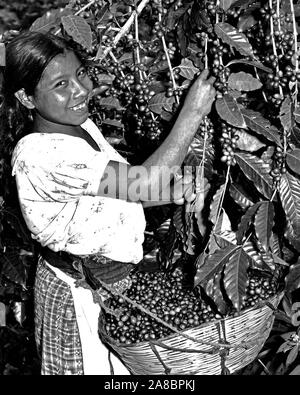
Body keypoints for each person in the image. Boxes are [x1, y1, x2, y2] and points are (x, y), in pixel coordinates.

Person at [0, 31, 216, 375]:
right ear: (26, 98)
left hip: (110, 285)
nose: (81, 90)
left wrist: (169, 195)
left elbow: (107, 197)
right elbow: (141, 183)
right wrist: (193, 112)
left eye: (81, 74)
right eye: (61, 84)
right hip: (78, 295)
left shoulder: (79, 124)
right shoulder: (41, 153)